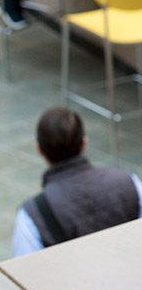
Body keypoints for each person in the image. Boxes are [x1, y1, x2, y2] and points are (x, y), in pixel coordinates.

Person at [11, 106, 142, 257]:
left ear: (39, 149)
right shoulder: (129, 183)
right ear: (84, 143)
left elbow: (23, 267)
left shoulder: (33, 214)